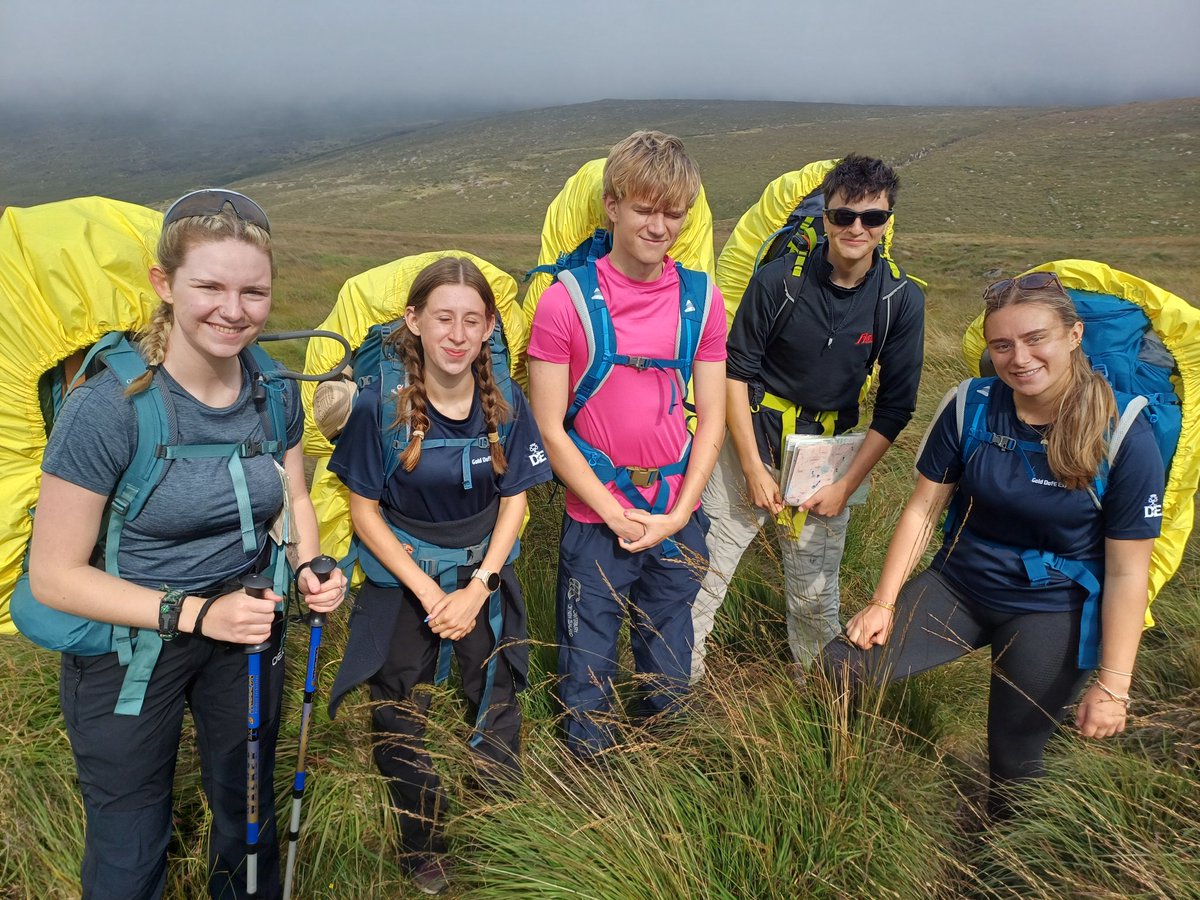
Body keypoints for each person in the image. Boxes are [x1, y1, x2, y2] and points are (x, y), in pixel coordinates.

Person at [28, 188, 347, 899]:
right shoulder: (108, 410)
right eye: (209, 286)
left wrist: (307, 566)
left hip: (247, 628)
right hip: (127, 644)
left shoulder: (272, 385)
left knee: (247, 809)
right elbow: (52, 576)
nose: (234, 311)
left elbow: (293, 496)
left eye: (254, 292)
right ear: (163, 285)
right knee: (130, 836)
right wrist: (199, 614)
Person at [824, 272, 1163, 819]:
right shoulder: (971, 405)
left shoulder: (1121, 432)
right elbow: (923, 509)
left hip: (1054, 606)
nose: (1019, 358)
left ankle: (1003, 862)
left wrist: (1114, 685)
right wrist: (883, 603)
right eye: (1001, 344)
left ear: (1074, 335)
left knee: (1014, 757)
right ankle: (841, 783)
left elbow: (1128, 573)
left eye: (1036, 339)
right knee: (842, 666)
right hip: (960, 583)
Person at [325, 257, 551, 895]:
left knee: (499, 697)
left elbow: (516, 499)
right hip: (406, 578)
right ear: (413, 320)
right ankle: (422, 844)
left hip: (483, 574)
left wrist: (478, 587)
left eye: (471, 321)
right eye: (443, 318)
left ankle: (495, 824)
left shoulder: (503, 406)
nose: (456, 334)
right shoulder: (380, 409)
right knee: (398, 709)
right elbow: (363, 510)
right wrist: (430, 594)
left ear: (487, 332)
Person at [527, 131, 727, 757]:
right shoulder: (564, 302)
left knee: (669, 658)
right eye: (644, 207)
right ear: (611, 205)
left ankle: (662, 773)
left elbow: (712, 420)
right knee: (586, 664)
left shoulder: (702, 299)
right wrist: (614, 512)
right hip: (596, 516)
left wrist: (677, 513)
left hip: (677, 513)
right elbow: (550, 426)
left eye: (673, 211)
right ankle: (586, 783)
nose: (659, 224)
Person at [691, 154, 925, 681]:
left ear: (887, 221)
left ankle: (820, 700)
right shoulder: (780, 281)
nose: (857, 228)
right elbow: (738, 368)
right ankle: (677, 696)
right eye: (844, 215)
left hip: (827, 458)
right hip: (749, 441)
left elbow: (897, 405)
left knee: (815, 597)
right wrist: (751, 465)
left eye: (873, 217)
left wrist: (846, 485)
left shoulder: (899, 300)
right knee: (704, 580)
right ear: (825, 217)